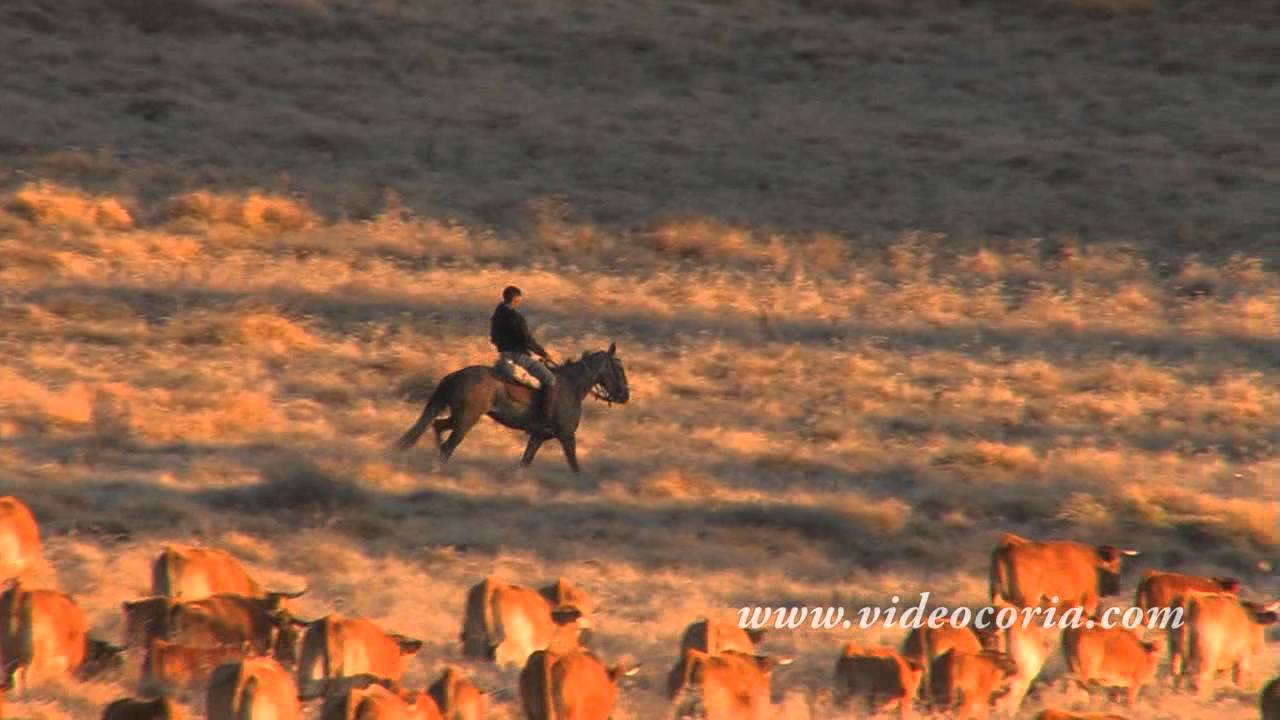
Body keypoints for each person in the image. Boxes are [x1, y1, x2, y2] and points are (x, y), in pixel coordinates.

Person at [490, 286, 557, 431]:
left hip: (503, 356)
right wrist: (544, 353)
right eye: (519, 300)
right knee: (550, 379)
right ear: (514, 299)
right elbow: (527, 340)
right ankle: (545, 420)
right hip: (518, 357)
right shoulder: (516, 318)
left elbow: (493, 338)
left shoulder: (497, 314)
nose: (519, 302)